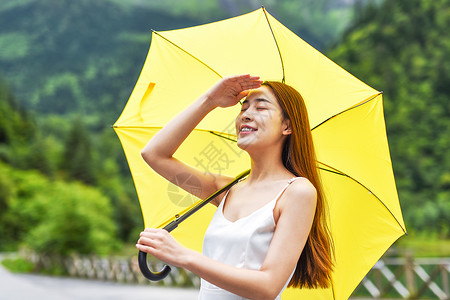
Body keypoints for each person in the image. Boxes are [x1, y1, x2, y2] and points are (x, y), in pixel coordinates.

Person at [136, 74, 334, 299]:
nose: (246, 115)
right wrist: (210, 100)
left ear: (287, 126)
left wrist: (184, 256)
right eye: (243, 108)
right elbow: (154, 154)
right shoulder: (225, 189)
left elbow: (268, 287)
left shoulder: (297, 192)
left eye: (260, 108)